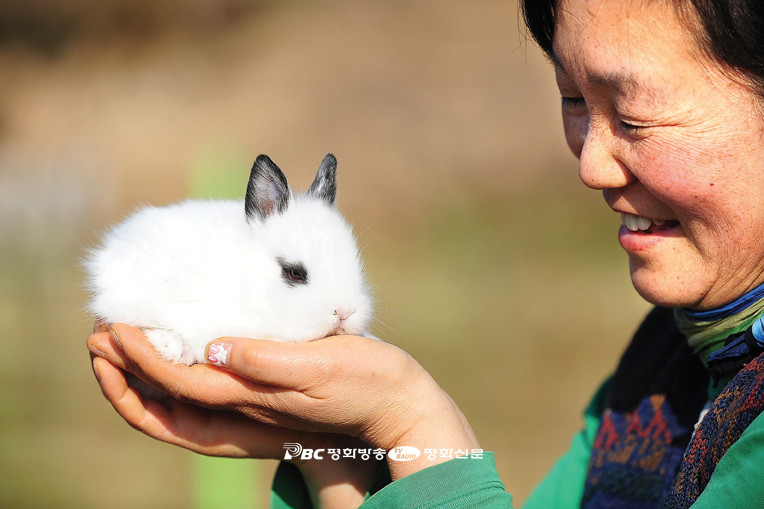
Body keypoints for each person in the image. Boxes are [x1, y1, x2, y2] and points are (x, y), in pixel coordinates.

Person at [87, 0, 764, 506]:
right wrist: (338, 450)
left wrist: (413, 420)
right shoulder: (657, 373)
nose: (592, 165)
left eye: (634, 115)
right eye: (573, 101)